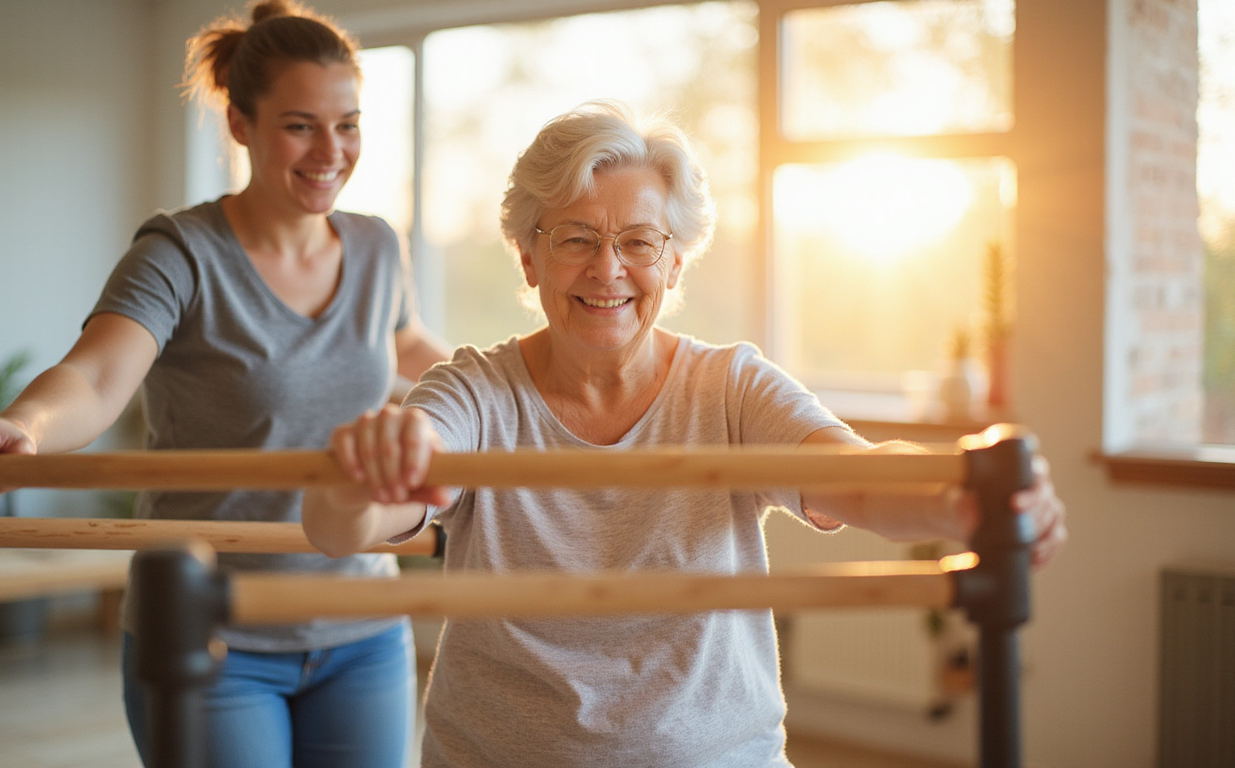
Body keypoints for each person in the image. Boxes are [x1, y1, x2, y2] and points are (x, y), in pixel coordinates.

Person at [300, 100, 1068, 768]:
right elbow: (353, 519)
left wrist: (963, 506)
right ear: (529, 258)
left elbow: (862, 476)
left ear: (673, 261)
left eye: (638, 241)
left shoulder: (730, 386)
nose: (608, 269)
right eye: (575, 239)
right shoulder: (475, 390)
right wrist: (364, 481)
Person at [0, 1, 451, 765]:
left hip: (361, 625)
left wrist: (521, 388)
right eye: (301, 125)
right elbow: (97, 376)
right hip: (212, 632)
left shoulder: (375, 246)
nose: (331, 150)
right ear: (241, 123)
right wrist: (24, 427)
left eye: (349, 123)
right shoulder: (179, 252)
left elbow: (407, 347)